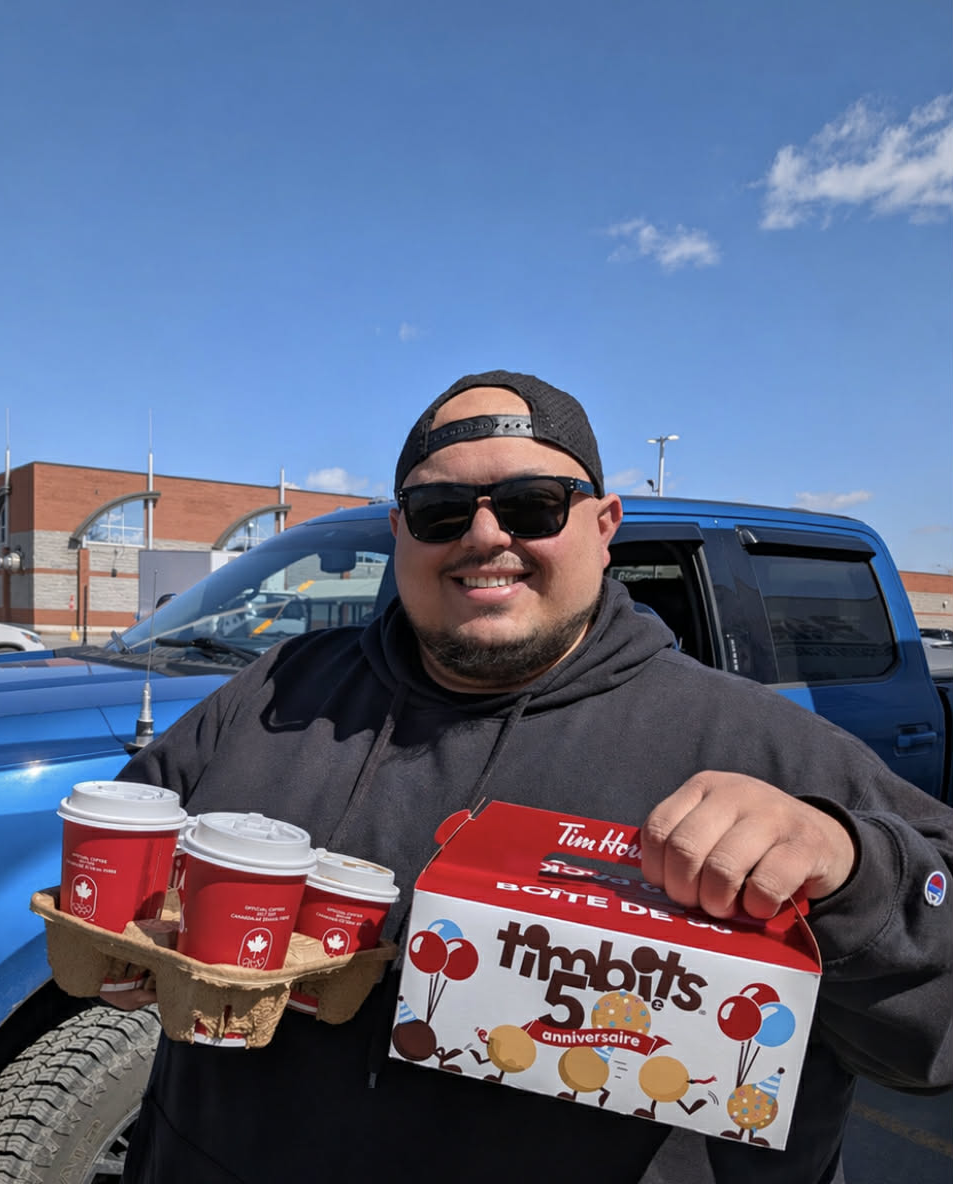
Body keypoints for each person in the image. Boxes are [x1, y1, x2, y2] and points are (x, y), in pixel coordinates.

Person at [111, 371, 952, 1184]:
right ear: (400, 532)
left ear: (604, 524)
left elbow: (933, 1033)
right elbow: (131, 880)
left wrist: (851, 870)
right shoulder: (273, 694)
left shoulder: (759, 749)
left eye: (532, 504)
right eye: (441, 510)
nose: (484, 536)